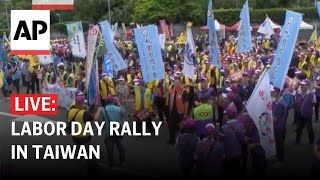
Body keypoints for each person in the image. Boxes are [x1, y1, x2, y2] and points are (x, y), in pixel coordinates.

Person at [101, 94, 126, 168]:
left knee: (109, 148)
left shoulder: (103, 110)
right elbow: (124, 112)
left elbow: (103, 120)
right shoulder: (118, 109)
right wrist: (118, 103)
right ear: (113, 101)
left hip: (108, 131)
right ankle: (123, 161)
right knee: (120, 146)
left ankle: (111, 163)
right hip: (117, 129)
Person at [221, 103, 245, 176]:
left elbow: (221, 143)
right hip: (238, 154)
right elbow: (242, 139)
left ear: (227, 116)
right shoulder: (241, 125)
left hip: (228, 155)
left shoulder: (223, 128)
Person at [167, 77, 189, 145]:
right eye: (175, 82)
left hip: (180, 112)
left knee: (182, 127)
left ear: (180, 83)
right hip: (172, 112)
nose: (176, 84)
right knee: (171, 126)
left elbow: (186, 102)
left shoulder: (183, 91)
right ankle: (172, 140)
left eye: (177, 82)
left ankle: (182, 141)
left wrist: (185, 113)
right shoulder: (172, 90)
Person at [271, 85, 288, 168]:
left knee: (279, 144)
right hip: (280, 126)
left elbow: (275, 119)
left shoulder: (279, 104)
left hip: (277, 127)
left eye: (273, 91)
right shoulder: (280, 101)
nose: (271, 92)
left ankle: (280, 160)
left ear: (277, 92)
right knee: (279, 143)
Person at [295, 79, 315, 145]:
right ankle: (297, 140)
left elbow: (314, 102)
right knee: (299, 128)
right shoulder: (298, 93)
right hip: (300, 114)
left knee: (309, 128)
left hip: (308, 115)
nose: (302, 86)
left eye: (304, 85)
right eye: (301, 84)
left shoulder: (312, 94)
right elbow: (296, 102)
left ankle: (311, 141)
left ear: (308, 86)